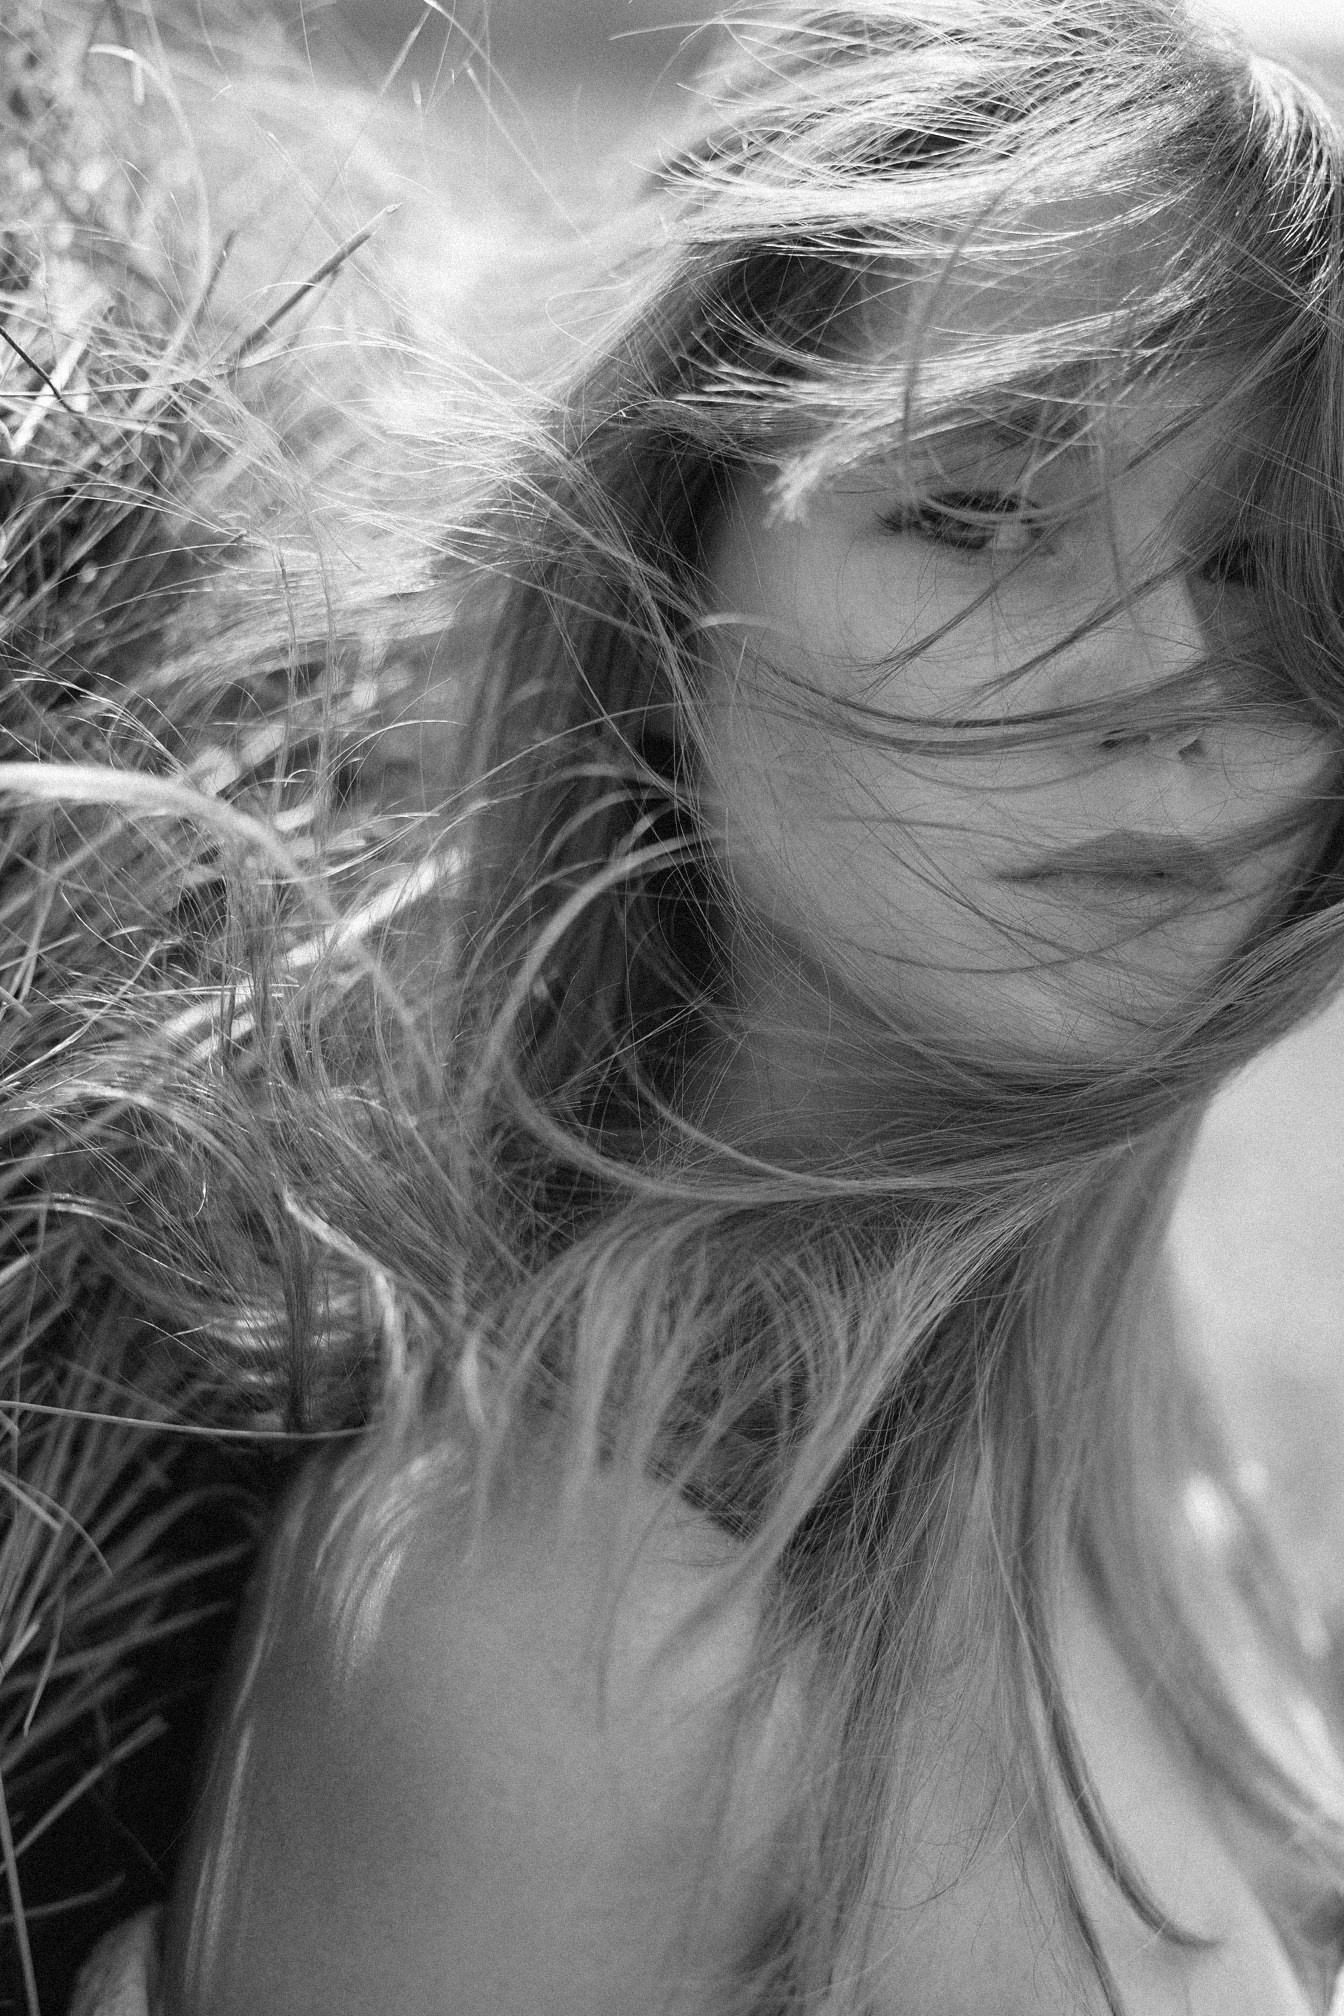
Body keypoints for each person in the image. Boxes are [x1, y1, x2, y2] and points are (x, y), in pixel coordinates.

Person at [31, 0, 1344, 2010]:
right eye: (975, 512)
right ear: (667, 585)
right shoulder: (563, 1631)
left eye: (1268, 560)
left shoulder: (1155, 1467)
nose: (1163, 668)